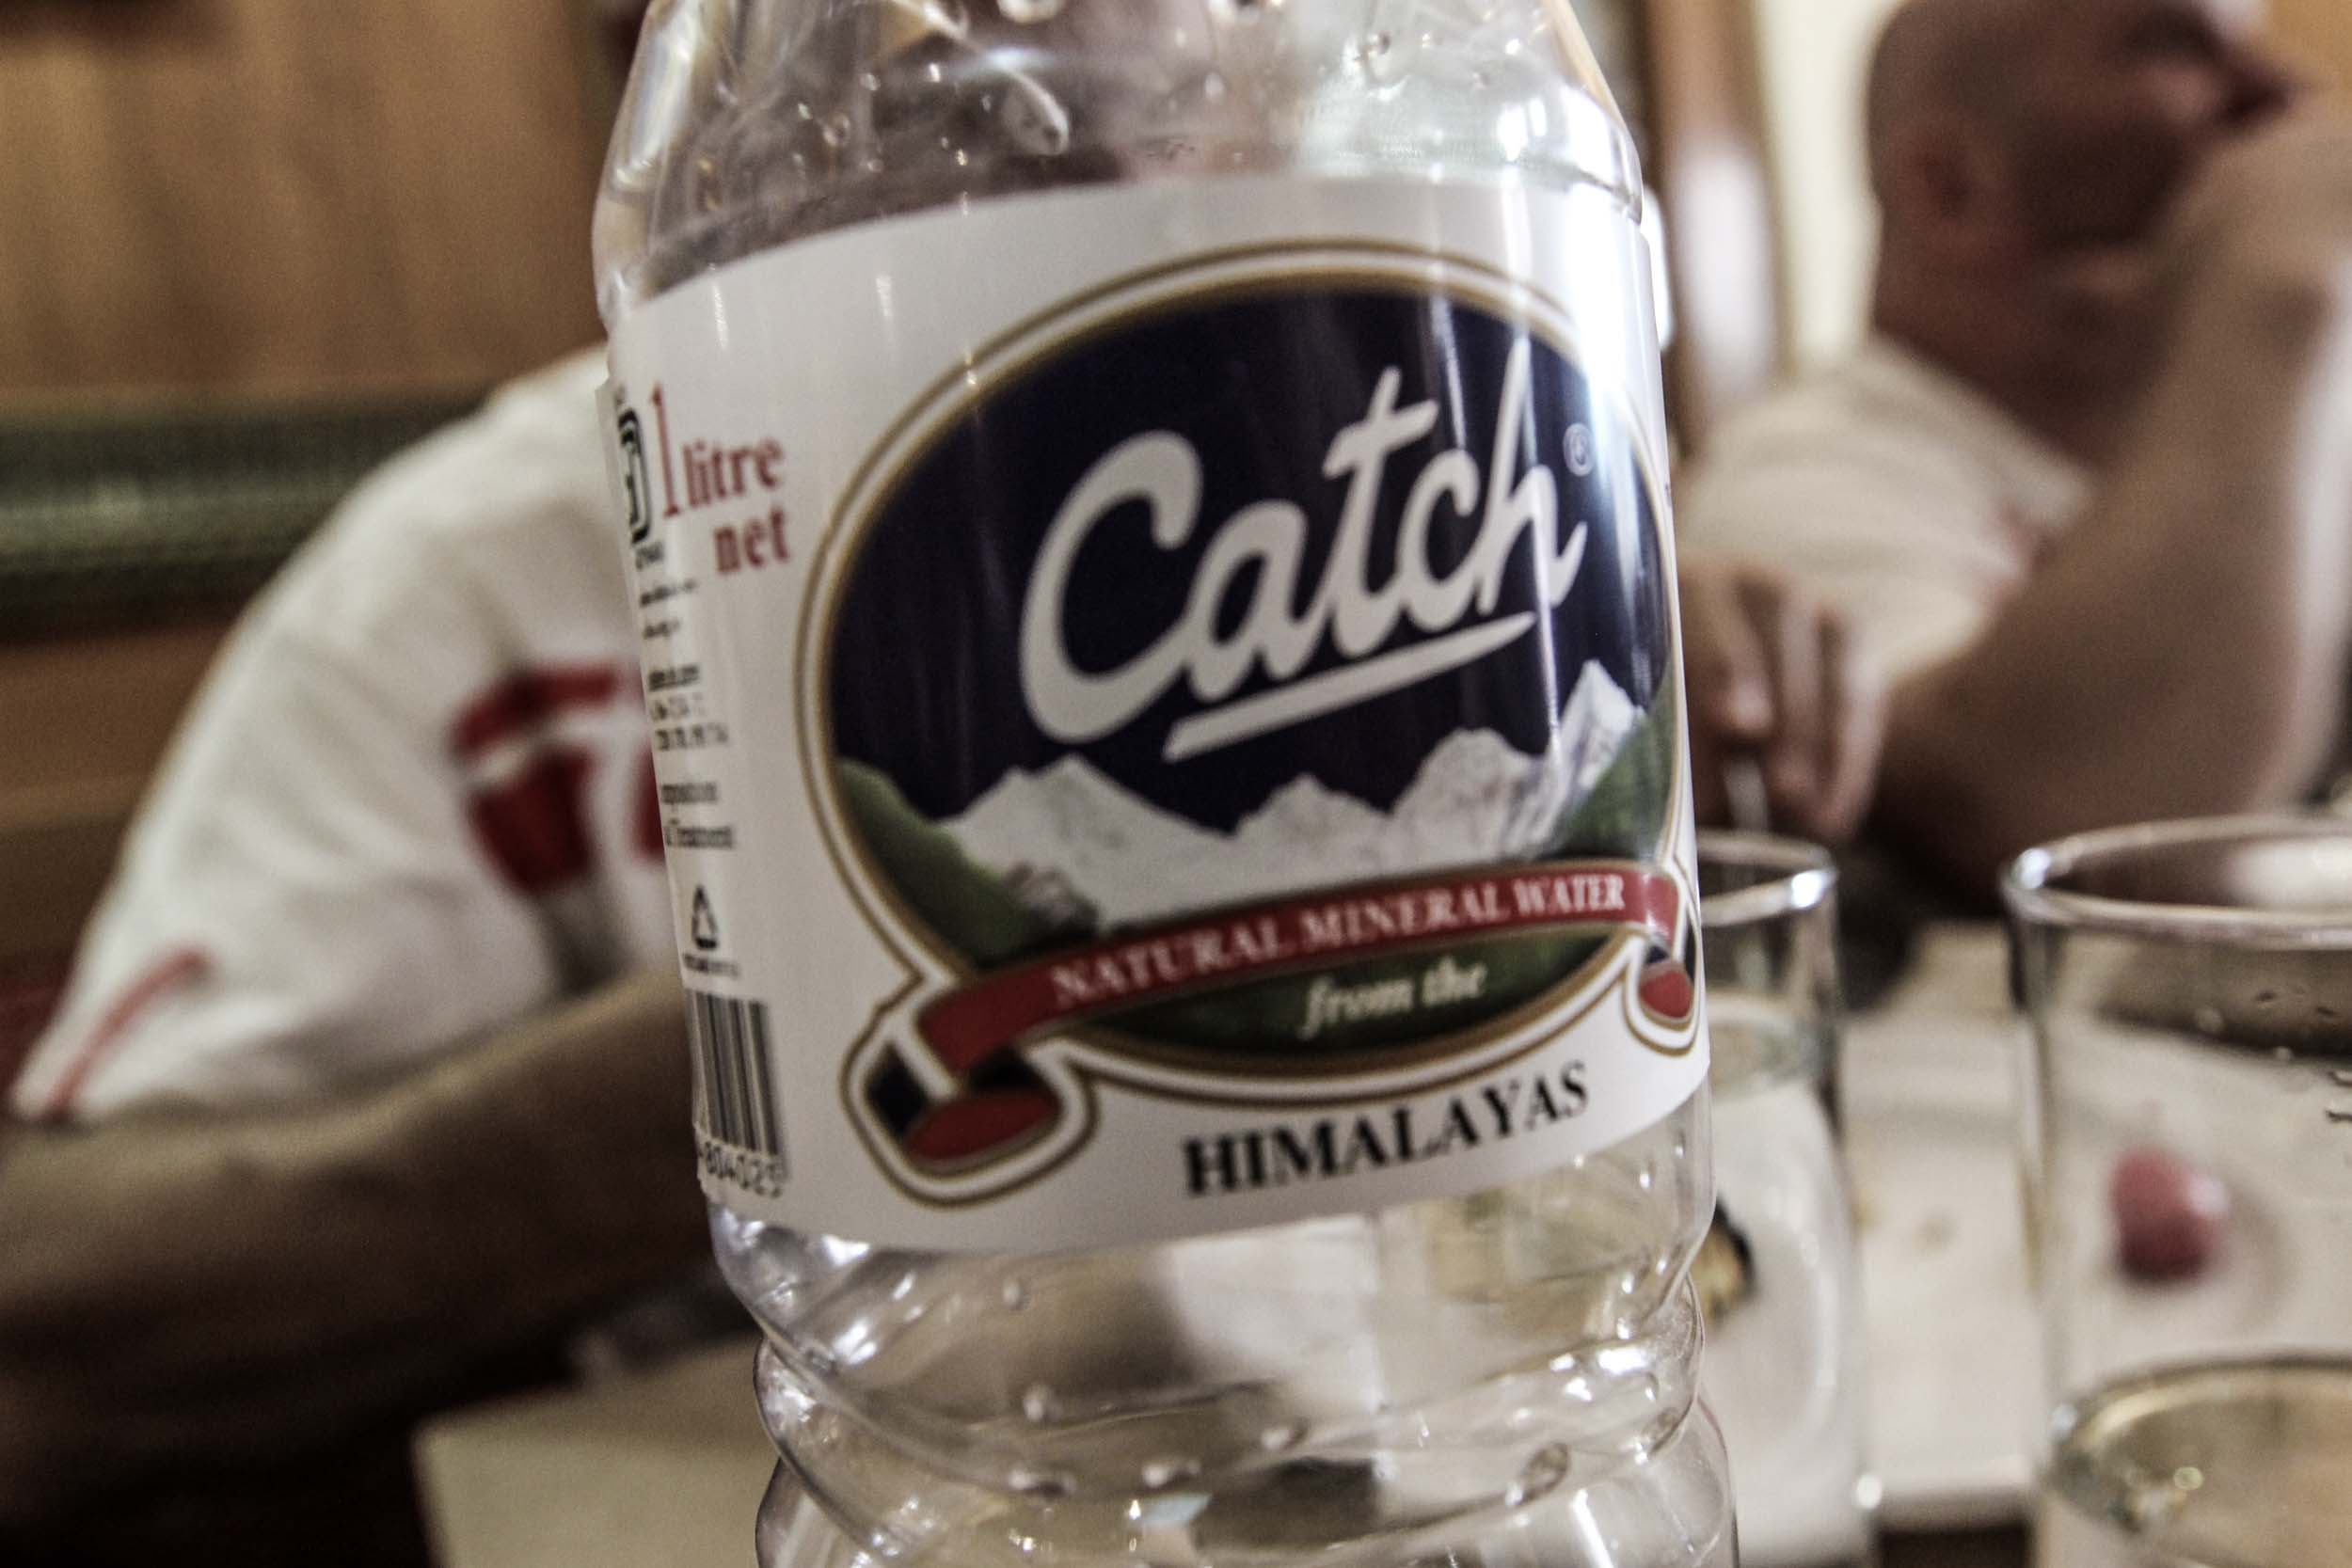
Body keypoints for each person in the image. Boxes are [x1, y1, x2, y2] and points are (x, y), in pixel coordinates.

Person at [1680, 0, 2352, 889]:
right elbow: (2070, 821)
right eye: (2167, 45)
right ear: (1950, 188)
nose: (2285, 94)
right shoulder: (1799, 479)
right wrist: (2280, 291)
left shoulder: (2293, 456)